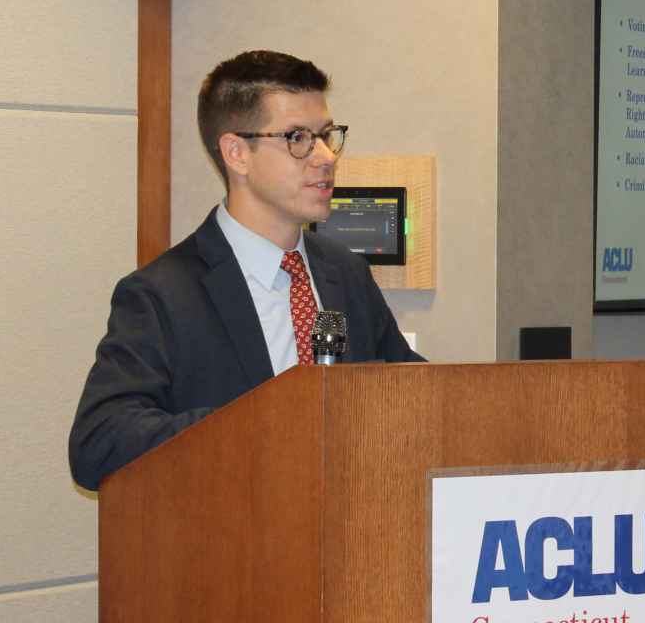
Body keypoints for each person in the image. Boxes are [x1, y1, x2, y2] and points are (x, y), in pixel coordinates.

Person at [68, 50, 425, 490]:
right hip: (235, 544)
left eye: (327, 135)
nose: (325, 156)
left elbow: (413, 396)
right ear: (237, 153)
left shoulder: (346, 273)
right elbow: (100, 442)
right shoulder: (162, 294)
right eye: (298, 138)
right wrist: (264, 421)